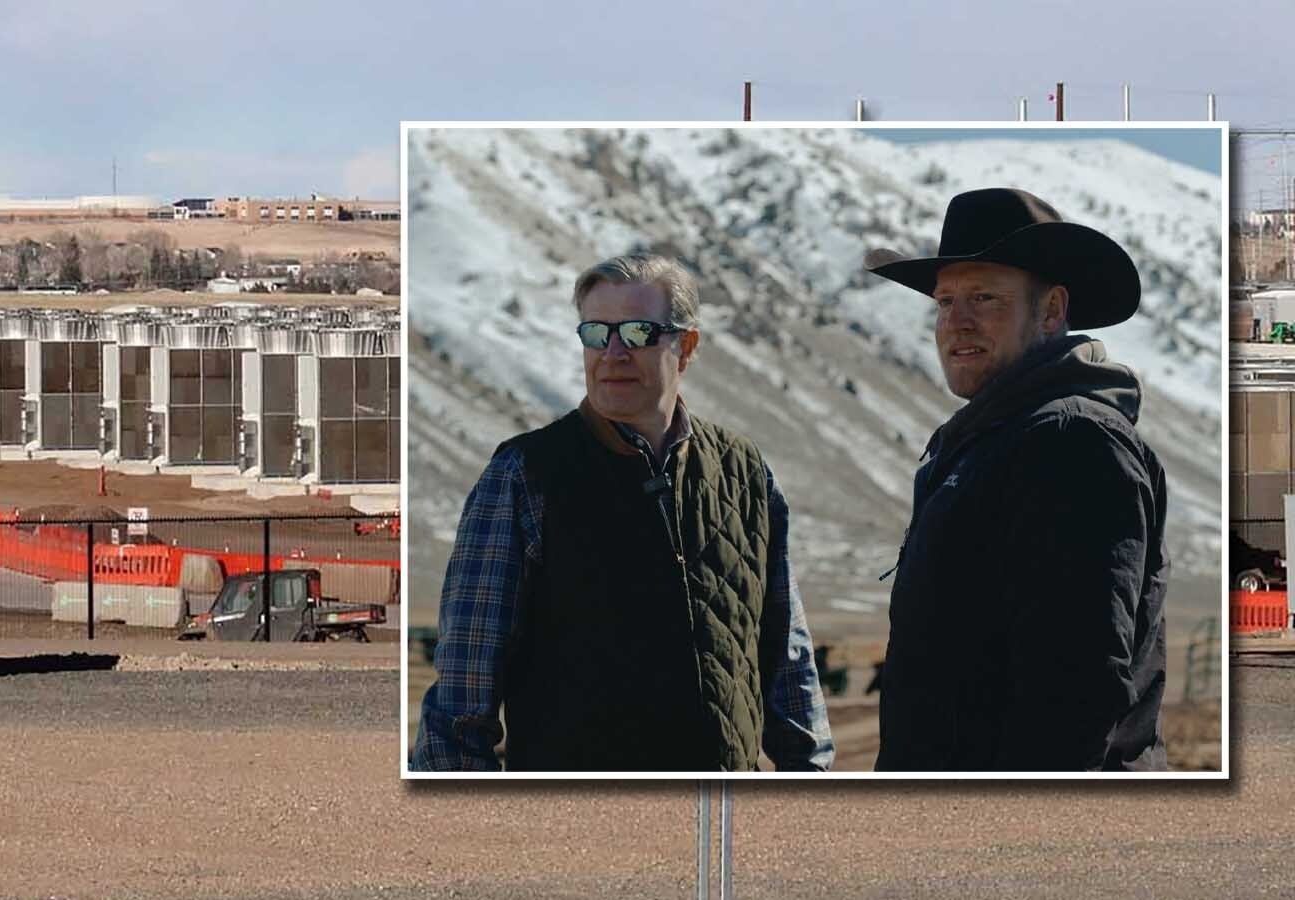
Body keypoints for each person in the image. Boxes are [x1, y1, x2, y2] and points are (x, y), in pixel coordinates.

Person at [411, 252, 834, 772]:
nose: (612, 352)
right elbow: (458, 712)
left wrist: (810, 787)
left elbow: (790, 671)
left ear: (687, 346)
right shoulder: (524, 475)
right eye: (596, 333)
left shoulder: (744, 472)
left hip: (723, 823)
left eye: (637, 332)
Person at [864, 188, 1169, 771]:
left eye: (984, 297)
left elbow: (1076, 687)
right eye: (945, 300)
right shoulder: (988, 442)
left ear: (1052, 311)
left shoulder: (1070, 443)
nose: (957, 321)